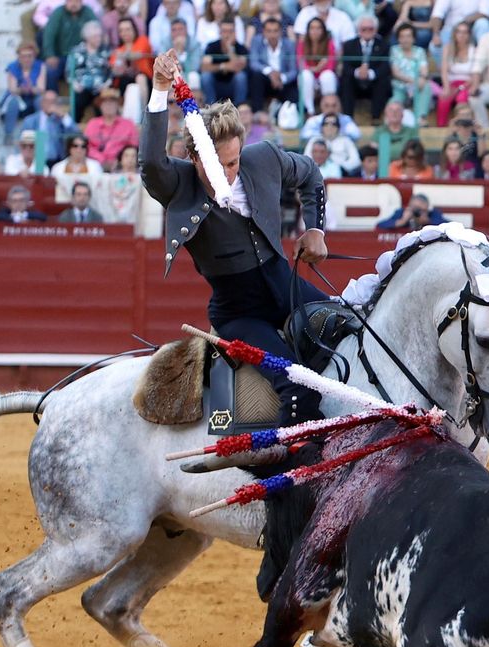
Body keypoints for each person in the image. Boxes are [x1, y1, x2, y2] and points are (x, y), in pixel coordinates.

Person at [144, 47, 330, 425]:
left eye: (233, 162)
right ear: (195, 158)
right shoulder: (179, 183)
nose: (228, 173)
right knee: (299, 385)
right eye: (218, 164)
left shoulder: (263, 158)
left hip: (285, 284)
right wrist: (159, 90)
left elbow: (310, 173)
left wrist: (314, 229)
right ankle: (286, 466)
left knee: (349, 329)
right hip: (239, 311)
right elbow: (150, 163)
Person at [339, 15, 390, 119]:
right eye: (363, 29)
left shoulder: (384, 45)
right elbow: (346, 66)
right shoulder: (349, 45)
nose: (367, 31)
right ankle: (348, 117)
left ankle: (376, 118)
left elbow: (385, 66)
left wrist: (370, 73)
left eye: (370, 29)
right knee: (346, 80)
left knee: (383, 80)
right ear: (358, 30)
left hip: (374, 81)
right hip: (355, 82)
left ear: (375, 30)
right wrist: (357, 72)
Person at [249, 15, 297, 112]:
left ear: (280, 32)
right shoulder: (256, 41)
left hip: (283, 81)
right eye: (269, 31)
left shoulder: (289, 44)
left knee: (294, 88)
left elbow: (293, 70)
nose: (272, 34)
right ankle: (257, 112)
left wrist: (281, 78)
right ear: (263, 31)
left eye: (275, 31)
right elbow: (253, 63)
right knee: (256, 76)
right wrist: (270, 72)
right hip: (265, 79)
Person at [389, 21, 434, 123]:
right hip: (400, 86)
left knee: (425, 87)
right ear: (398, 39)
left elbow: (424, 69)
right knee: (393, 102)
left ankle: (420, 118)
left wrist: (422, 78)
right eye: (402, 36)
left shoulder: (420, 51)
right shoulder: (394, 50)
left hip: (417, 86)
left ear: (413, 38)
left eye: (408, 36)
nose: (405, 40)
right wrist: (414, 80)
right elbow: (395, 72)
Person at [84, 87, 139, 168]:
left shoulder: (128, 124)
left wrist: (120, 159)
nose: (109, 105)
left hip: (121, 165)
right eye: (105, 102)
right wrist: (102, 160)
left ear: (117, 105)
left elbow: (133, 147)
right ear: (100, 105)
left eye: (112, 102)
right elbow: (86, 146)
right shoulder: (92, 124)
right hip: (96, 164)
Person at [202, 18, 249, 105]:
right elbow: (204, 67)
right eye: (224, 31)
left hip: (232, 85)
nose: (227, 35)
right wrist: (223, 66)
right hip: (216, 84)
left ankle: (239, 107)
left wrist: (230, 49)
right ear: (220, 32)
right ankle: (211, 108)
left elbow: (239, 67)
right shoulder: (212, 47)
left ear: (235, 33)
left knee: (241, 77)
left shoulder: (241, 48)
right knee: (206, 76)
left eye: (230, 31)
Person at [20, 90, 76, 164]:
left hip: (57, 160)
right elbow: (24, 142)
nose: (50, 104)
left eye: (53, 101)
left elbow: (75, 133)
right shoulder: (30, 120)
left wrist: (64, 116)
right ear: (42, 103)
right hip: (36, 161)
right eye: (47, 101)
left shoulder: (61, 120)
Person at [377, 192, 448, 229]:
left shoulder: (433, 214)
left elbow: (449, 226)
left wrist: (429, 222)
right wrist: (402, 221)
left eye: (421, 210)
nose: (417, 212)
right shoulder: (402, 213)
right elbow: (380, 225)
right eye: (415, 208)